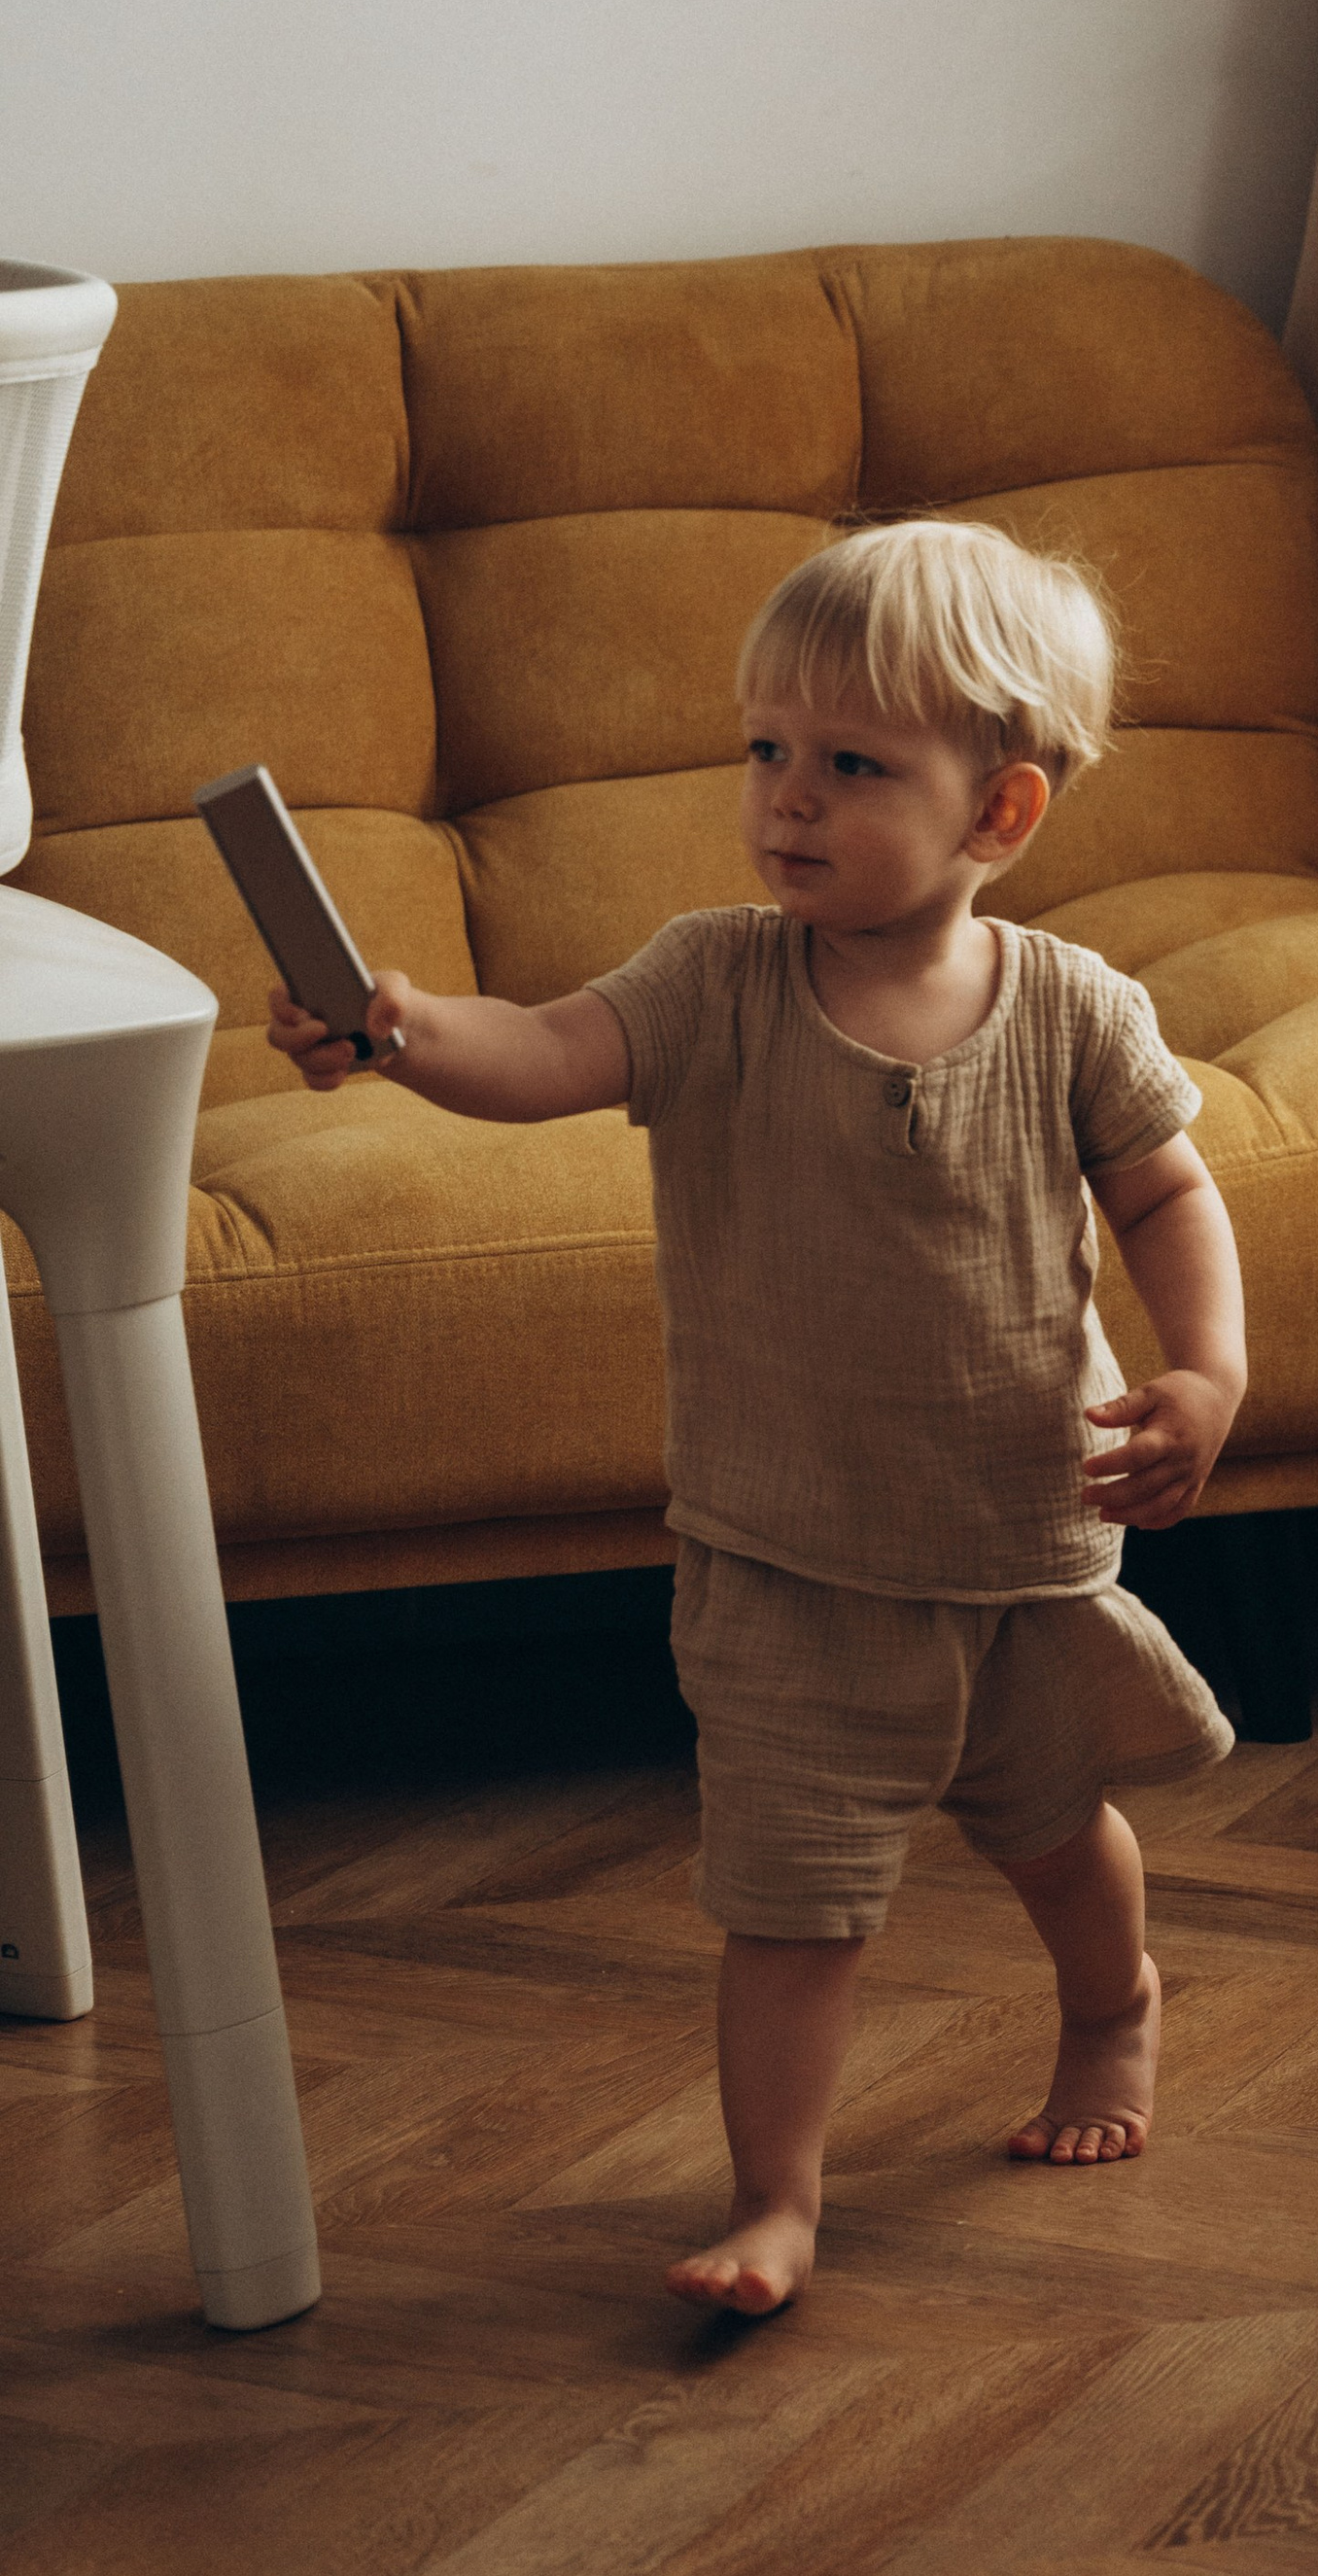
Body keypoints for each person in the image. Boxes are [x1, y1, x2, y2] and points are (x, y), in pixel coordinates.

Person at [268, 519, 1246, 2316]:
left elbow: (1172, 1200)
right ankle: (779, 2201)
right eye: (766, 751)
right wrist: (404, 1032)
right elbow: (545, 1053)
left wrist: (1204, 1371)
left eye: (853, 765)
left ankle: (1113, 2005)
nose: (786, 800)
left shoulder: (1073, 1013)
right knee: (791, 1901)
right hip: (785, 1557)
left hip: (1015, 1546)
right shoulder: (713, 982)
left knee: (1051, 1828)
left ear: (999, 813)